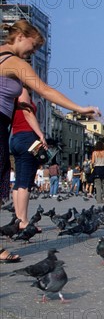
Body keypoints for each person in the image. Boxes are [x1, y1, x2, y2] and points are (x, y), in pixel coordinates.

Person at [0, 19, 99, 206]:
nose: (34, 51)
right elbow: (45, 91)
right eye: (34, 45)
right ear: (20, 37)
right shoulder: (15, 62)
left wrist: (19, 107)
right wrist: (80, 108)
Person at [9, 87, 46, 230]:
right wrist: (40, 134)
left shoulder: (8, 93)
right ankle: (23, 220)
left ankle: (18, 219)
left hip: (15, 137)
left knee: (19, 181)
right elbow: (28, 113)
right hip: (26, 137)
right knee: (26, 181)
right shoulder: (21, 91)